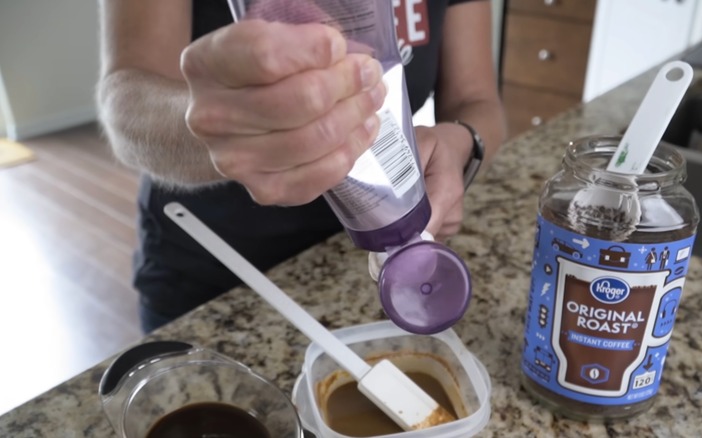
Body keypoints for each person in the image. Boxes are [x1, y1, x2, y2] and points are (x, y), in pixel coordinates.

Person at [97, 0, 507, 333]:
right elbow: (125, 101)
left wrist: (462, 145)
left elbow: (478, 100)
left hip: (354, 277)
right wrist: (222, 128)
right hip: (213, 276)